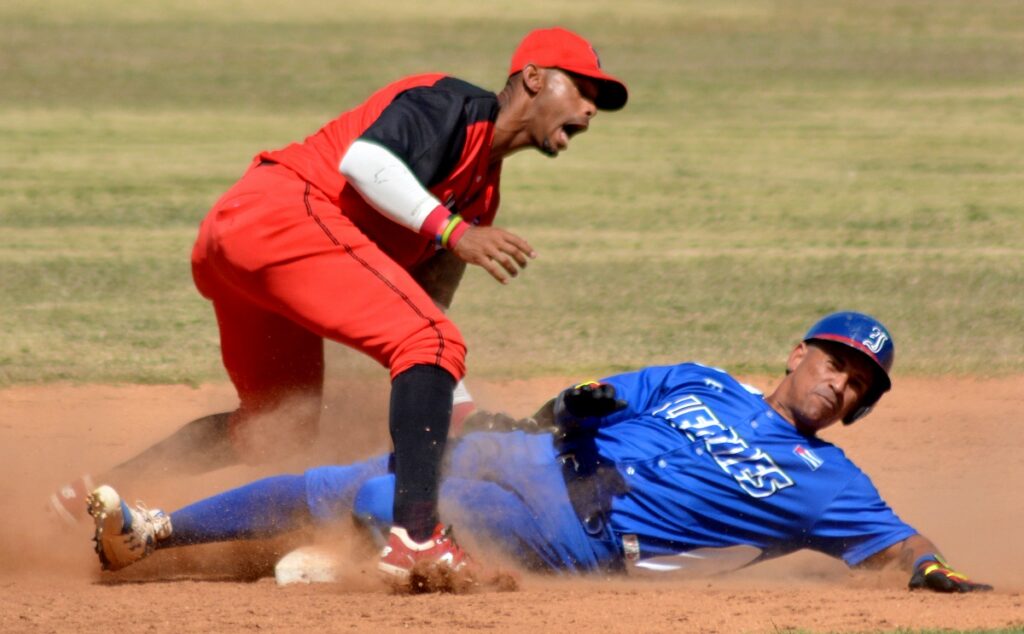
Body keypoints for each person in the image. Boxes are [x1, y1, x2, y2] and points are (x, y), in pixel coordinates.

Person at [51, 26, 628, 580]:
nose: (591, 108)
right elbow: (364, 163)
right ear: (532, 78)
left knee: (280, 425)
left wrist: (465, 416)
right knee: (428, 344)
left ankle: (90, 498)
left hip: (245, 247)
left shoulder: (483, 193)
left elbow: (423, 310)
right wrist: (454, 231)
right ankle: (418, 539)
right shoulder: (448, 105)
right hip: (278, 213)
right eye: (582, 88)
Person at [87, 311, 991, 593]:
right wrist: (567, 404)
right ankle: (150, 532)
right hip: (529, 457)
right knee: (348, 477)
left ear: (860, 408)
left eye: (860, 384)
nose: (842, 383)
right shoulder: (699, 378)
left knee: (381, 504)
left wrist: (936, 572)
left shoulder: (827, 482)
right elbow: (594, 397)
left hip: (570, 531)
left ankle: (369, 555)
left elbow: (901, 544)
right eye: (836, 361)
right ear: (800, 354)